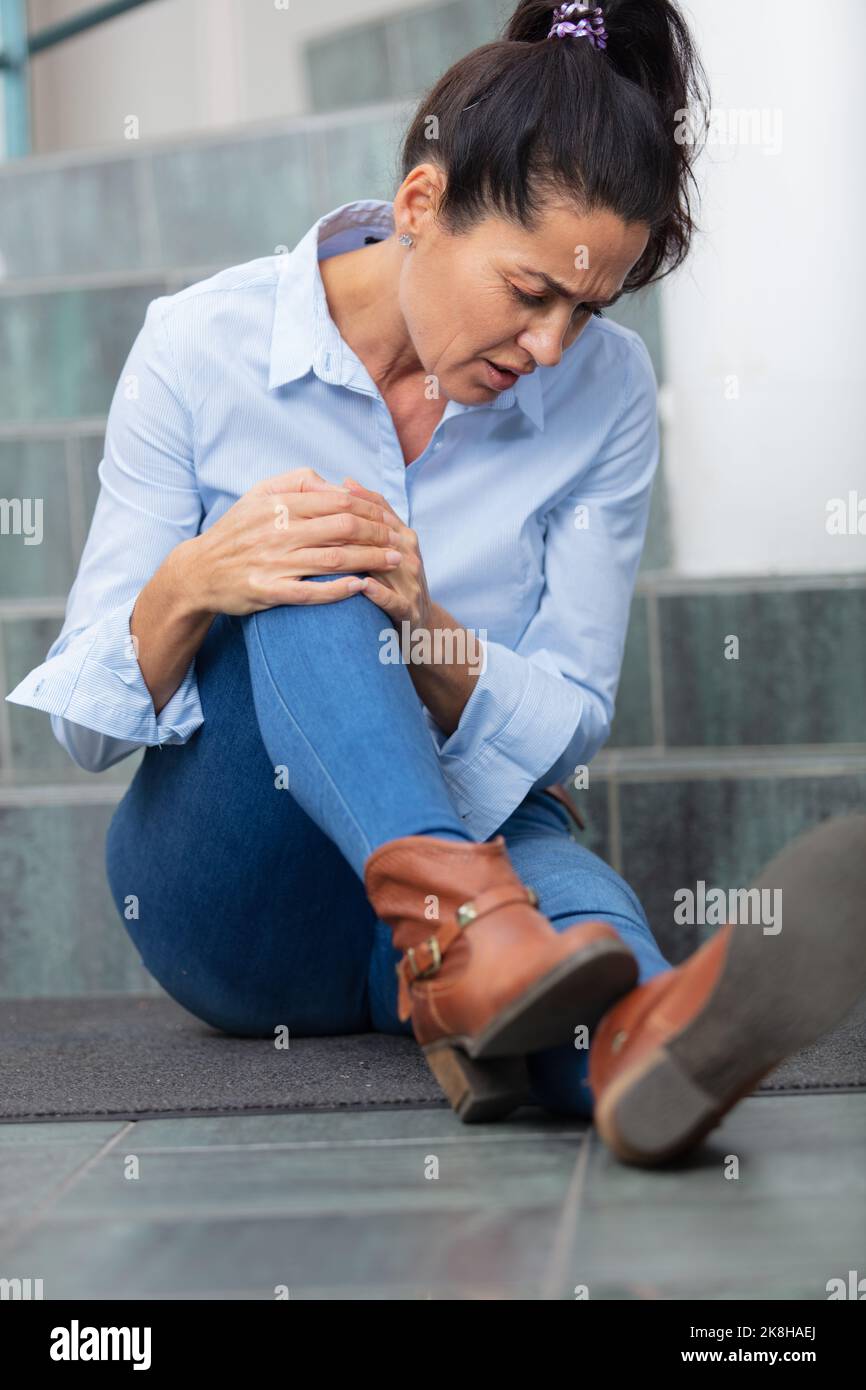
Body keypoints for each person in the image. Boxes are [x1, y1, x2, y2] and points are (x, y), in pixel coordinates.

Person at [14, 1, 860, 1167]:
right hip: (237, 890)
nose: (553, 347)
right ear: (420, 207)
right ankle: (484, 946)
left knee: (578, 929)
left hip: (484, 854)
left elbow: (568, 722)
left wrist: (429, 631)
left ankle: (634, 1044)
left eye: (590, 307)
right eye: (528, 293)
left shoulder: (604, 396)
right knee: (323, 552)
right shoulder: (200, 346)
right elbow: (80, 729)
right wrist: (205, 575)